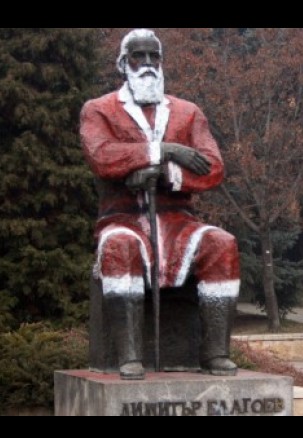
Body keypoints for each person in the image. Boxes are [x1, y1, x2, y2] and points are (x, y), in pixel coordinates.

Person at [80, 29, 240, 380]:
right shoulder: (98, 110)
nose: (149, 64)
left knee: (221, 244)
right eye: (139, 57)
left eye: (155, 57)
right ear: (123, 64)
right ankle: (129, 356)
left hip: (178, 220)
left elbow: (213, 167)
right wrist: (165, 150)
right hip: (122, 217)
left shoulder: (187, 112)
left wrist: (164, 174)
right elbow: (102, 156)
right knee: (119, 246)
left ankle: (215, 353)